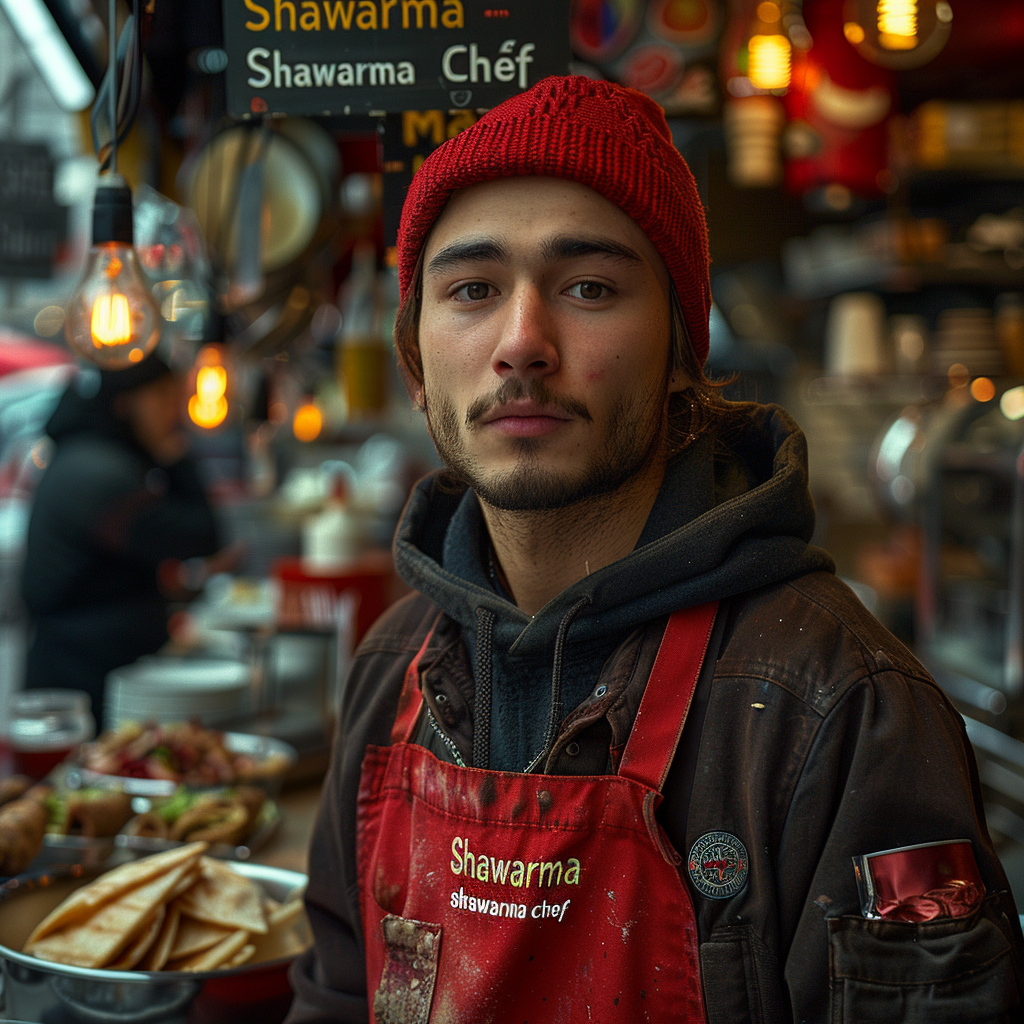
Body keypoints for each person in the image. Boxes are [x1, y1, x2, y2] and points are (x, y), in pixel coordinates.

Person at [286, 77, 1024, 1023]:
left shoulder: (841, 709)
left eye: (589, 287)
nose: (522, 342)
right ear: (416, 363)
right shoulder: (392, 670)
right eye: (471, 289)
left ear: (683, 351)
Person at [20, 354, 224, 725]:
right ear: (126, 404)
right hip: (81, 683)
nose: (175, 413)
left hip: (89, 667)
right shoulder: (98, 472)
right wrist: (179, 460)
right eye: (164, 399)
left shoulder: (94, 455)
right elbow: (199, 537)